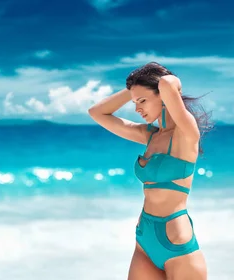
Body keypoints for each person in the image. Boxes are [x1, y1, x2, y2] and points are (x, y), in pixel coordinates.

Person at [88, 62, 211, 279]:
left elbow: (166, 82)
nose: (137, 109)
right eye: (135, 103)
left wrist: (167, 83)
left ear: (163, 95)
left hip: (176, 243)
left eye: (142, 101)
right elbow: (97, 113)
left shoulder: (186, 133)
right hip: (144, 239)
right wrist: (134, 90)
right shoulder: (149, 135)